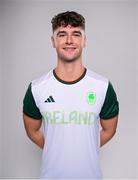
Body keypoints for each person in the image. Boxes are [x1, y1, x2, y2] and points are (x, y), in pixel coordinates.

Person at [23, 11, 119, 179]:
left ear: (84, 40)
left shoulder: (102, 86)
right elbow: (32, 131)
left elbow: (109, 130)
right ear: (53, 41)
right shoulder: (37, 88)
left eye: (76, 34)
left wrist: (85, 148)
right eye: (62, 34)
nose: (69, 40)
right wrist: (55, 147)